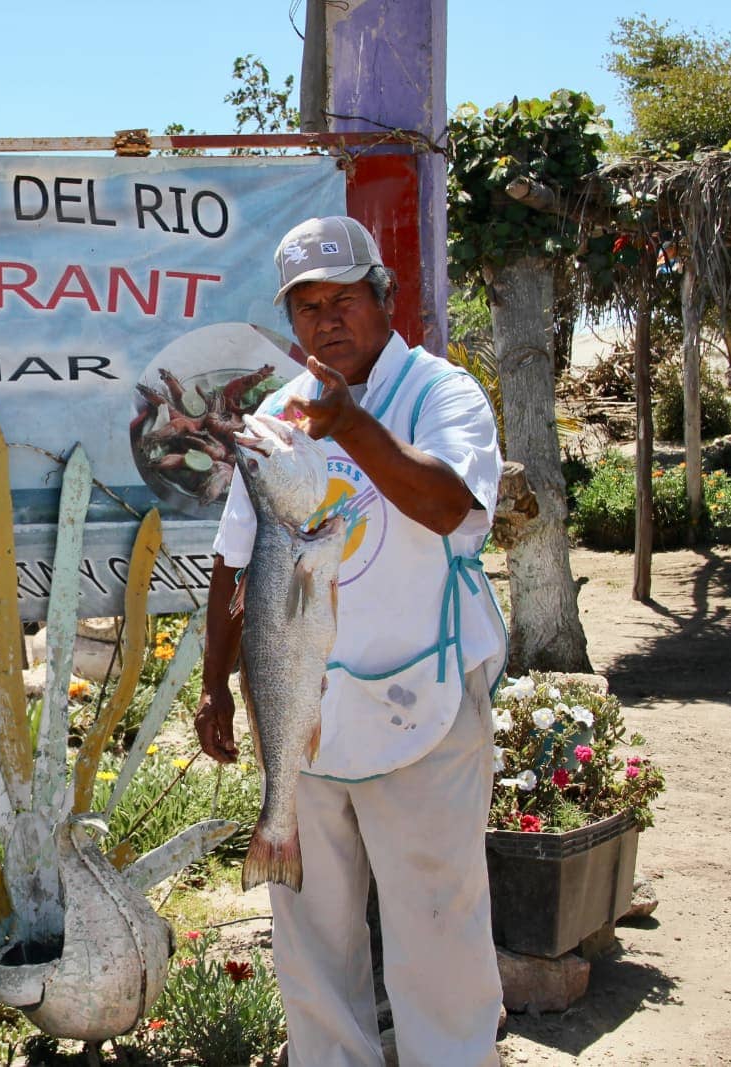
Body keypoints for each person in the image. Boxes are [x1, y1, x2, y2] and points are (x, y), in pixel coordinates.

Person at [195, 215, 508, 1066]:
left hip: (426, 709)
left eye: (345, 298)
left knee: (436, 937)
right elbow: (240, 555)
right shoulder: (276, 413)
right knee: (313, 952)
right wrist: (217, 681)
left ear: (386, 296)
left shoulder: (444, 394)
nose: (327, 319)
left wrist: (352, 426)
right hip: (307, 720)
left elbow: (450, 506)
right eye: (306, 306)